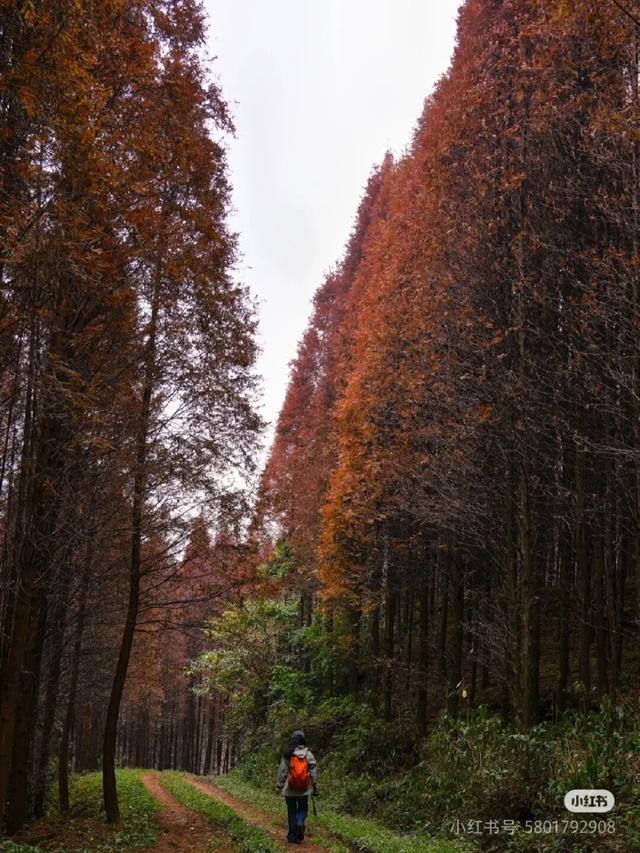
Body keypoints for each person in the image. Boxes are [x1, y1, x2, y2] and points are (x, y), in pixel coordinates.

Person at [276, 729, 318, 844]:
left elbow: (282, 771)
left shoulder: (288, 753)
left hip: (289, 788)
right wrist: (314, 787)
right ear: (303, 740)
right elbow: (313, 773)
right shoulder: (308, 754)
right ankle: (300, 823)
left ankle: (292, 836)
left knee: (291, 810)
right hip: (304, 789)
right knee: (303, 808)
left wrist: (279, 785)